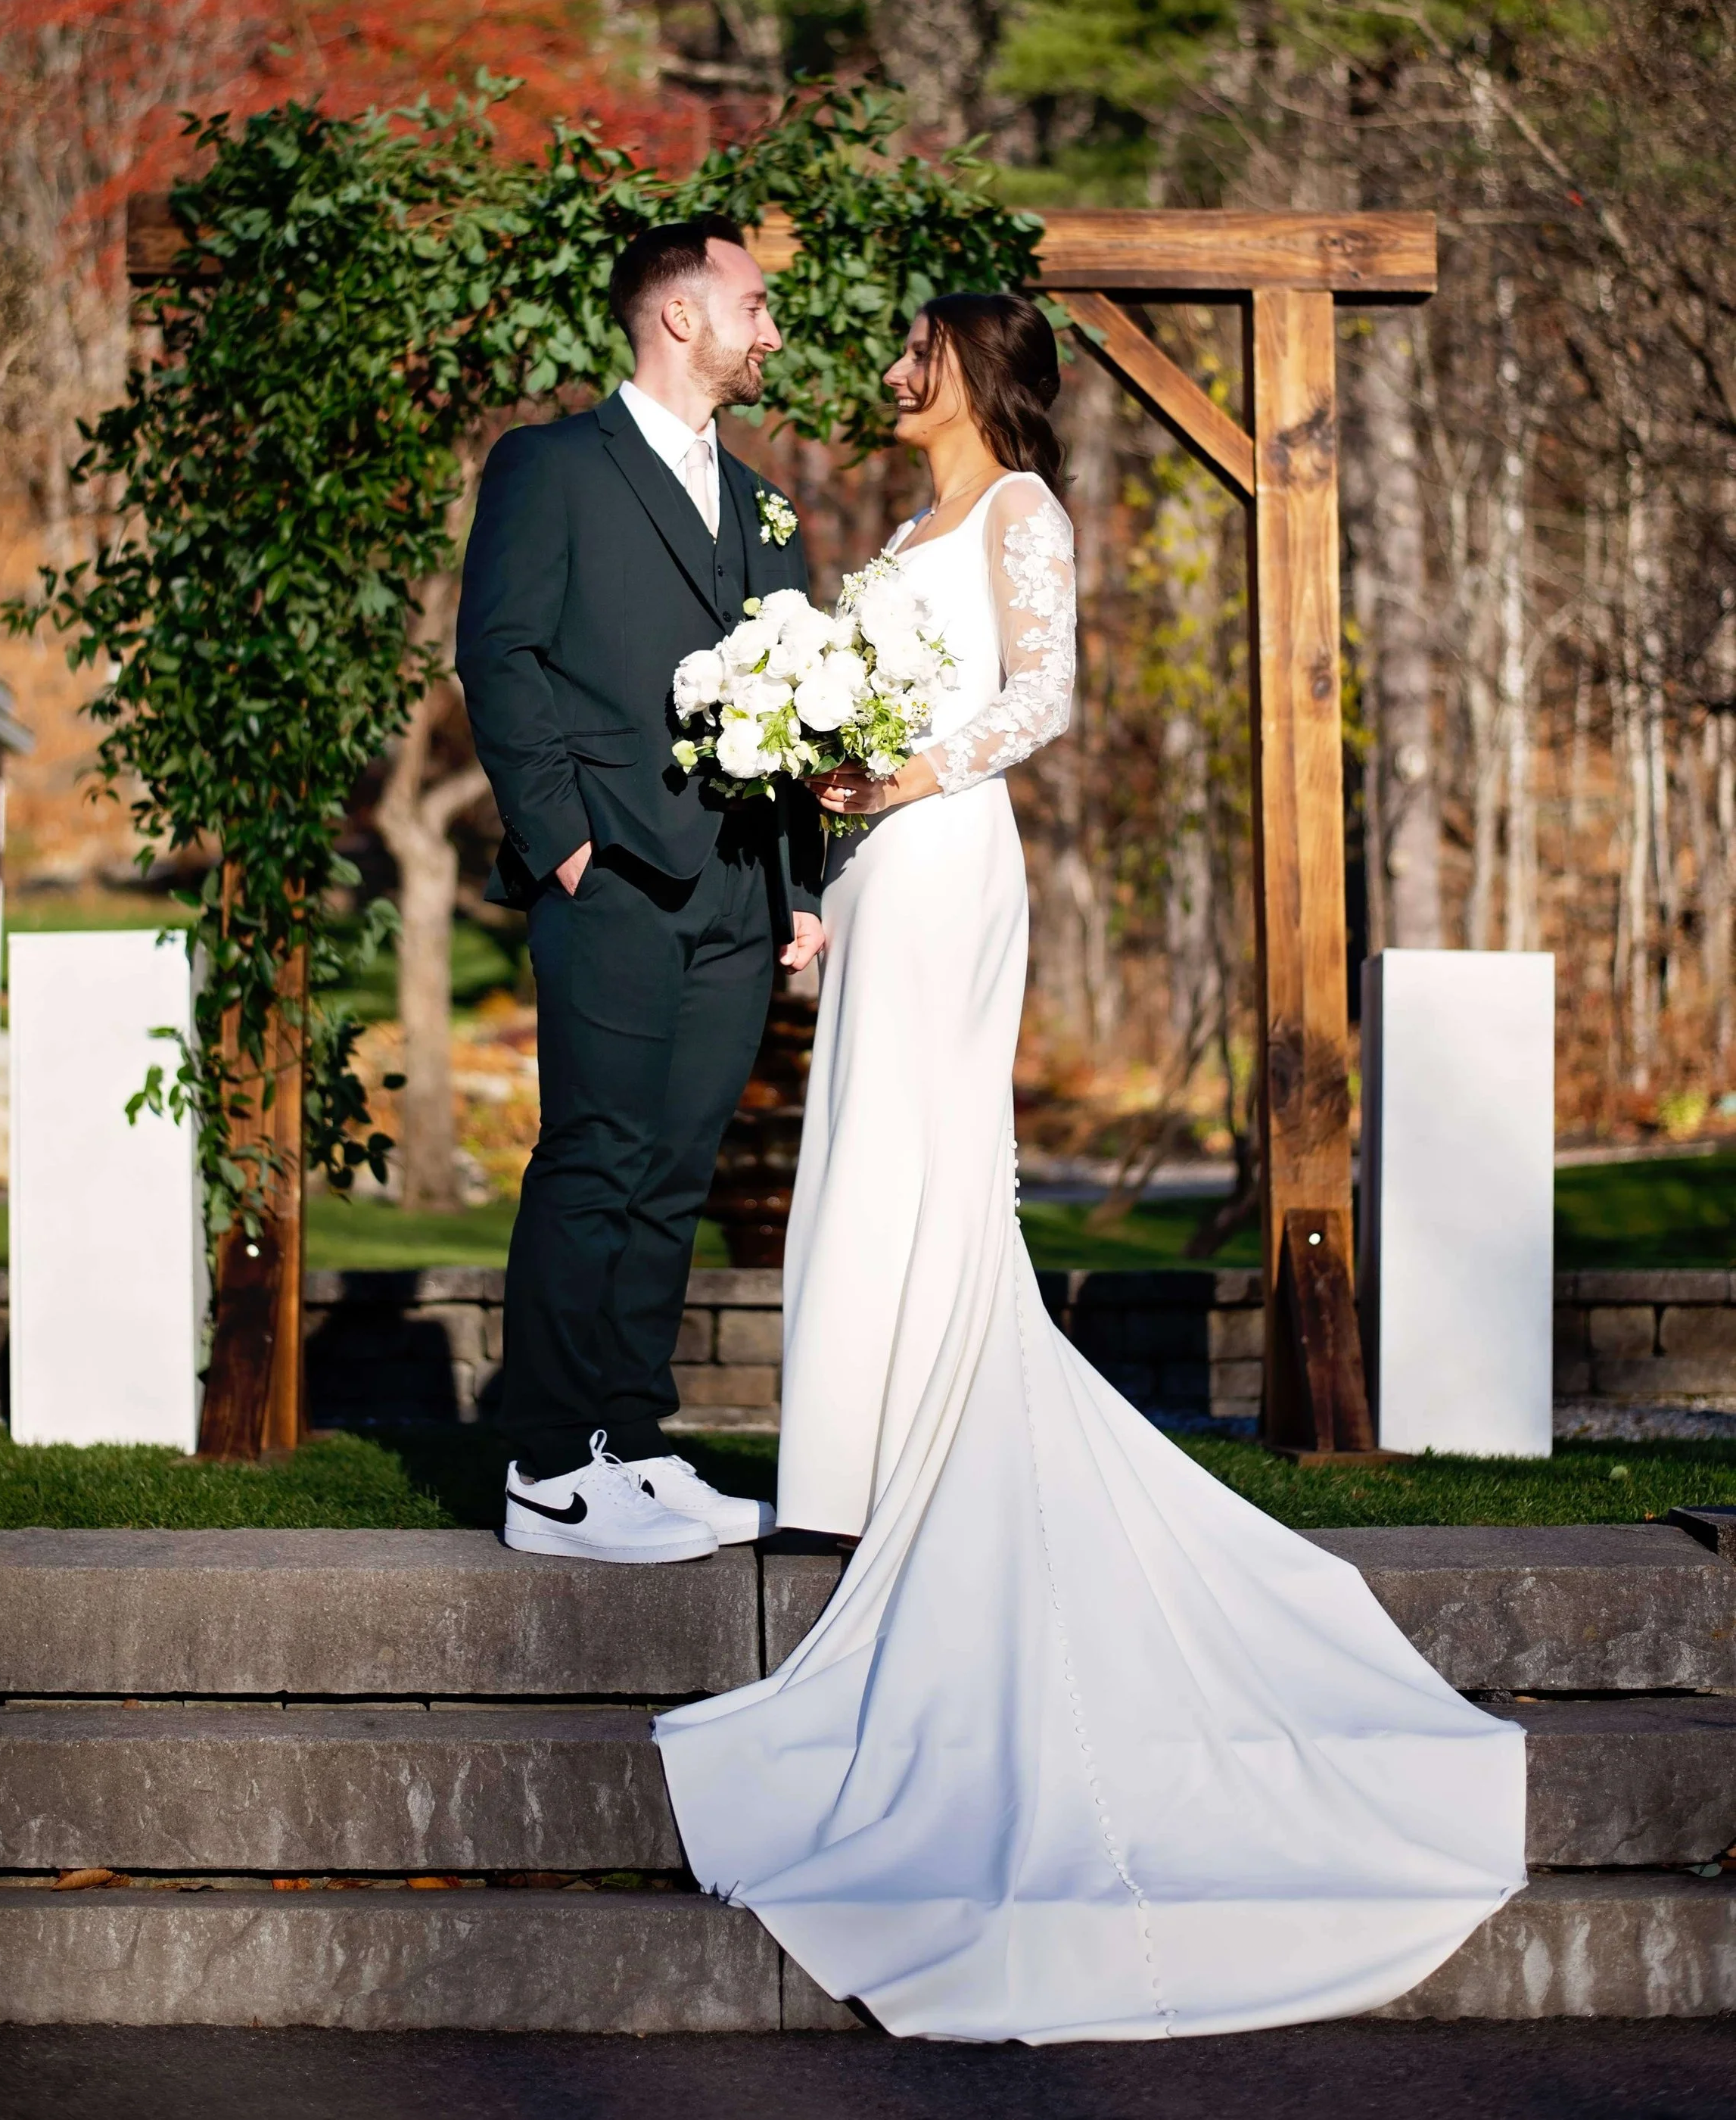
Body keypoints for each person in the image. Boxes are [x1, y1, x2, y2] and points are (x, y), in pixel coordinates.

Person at [655, 293, 1527, 2040]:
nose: (890, 374)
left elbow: (1041, 693)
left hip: (948, 851)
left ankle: (921, 1442)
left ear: (972, 373)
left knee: (920, 1156)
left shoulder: (1019, 511)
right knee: (861, 1158)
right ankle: (865, 1451)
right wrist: (820, 786)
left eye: (914, 353)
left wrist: (906, 771)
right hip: (882, 866)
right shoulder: (901, 527)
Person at [457, 216, 824, 1566]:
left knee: (674, 1175)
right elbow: (500, 653)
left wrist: (799, 883)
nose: (770, 328)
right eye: (755, 303)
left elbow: (800, 692)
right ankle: (551, 1470)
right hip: (610, 870)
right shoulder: (551, 465)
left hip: (739, 891)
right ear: (682, 315)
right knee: (596, 1157)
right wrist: (563, 837)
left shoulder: (767, 504)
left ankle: (630, 1440)